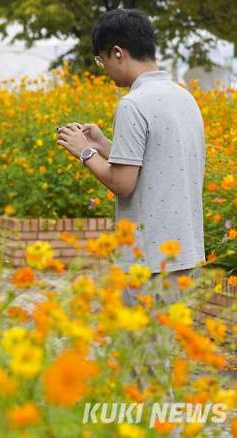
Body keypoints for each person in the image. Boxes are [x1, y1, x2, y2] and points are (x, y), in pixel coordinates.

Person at [55, 8, 206, 307]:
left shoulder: (133, 105)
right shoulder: (184, 98)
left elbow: (123, 183)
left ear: (118, 52)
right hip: (184, 253)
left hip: (147, 259)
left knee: (139, 352)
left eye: (101, 60)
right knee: (164, 347)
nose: (104, 68)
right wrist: (101, 144)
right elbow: (154, 165)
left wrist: (83, 151)